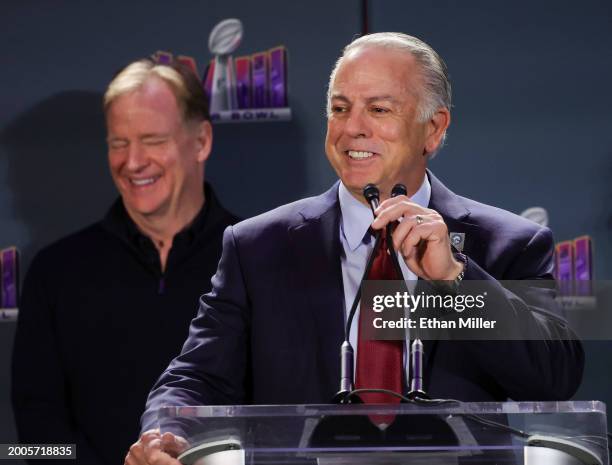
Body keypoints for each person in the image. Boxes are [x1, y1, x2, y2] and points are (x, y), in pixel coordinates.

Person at [125, 33, 584, 464]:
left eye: (379, 109)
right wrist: (163, 431)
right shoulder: (257, 246)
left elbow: (554, 377)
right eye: (340, 109)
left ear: (434, 129)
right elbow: (195, 377)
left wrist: (454, 280)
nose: (352, 129)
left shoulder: (507, 243)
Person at [11, 58, 240, 465]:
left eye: (152, 140)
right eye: (118, 143)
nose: (132, 162)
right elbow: (37, 430)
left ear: (201, 141)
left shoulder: (255, 259)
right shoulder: (56, 271)